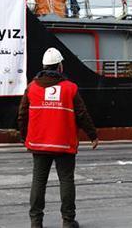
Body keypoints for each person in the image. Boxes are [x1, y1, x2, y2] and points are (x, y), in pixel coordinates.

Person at [18, 47, 99, 228]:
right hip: (63, 144)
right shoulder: (70, 88)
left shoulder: (31, 88)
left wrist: (24, 136)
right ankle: (68, 221)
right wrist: (92, 135)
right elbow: (82, 113)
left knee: (39, 180)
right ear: (60, 66)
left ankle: (36, 222)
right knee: (66, 180)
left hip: (38, 143)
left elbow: (22, 114)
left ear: (44, 66)